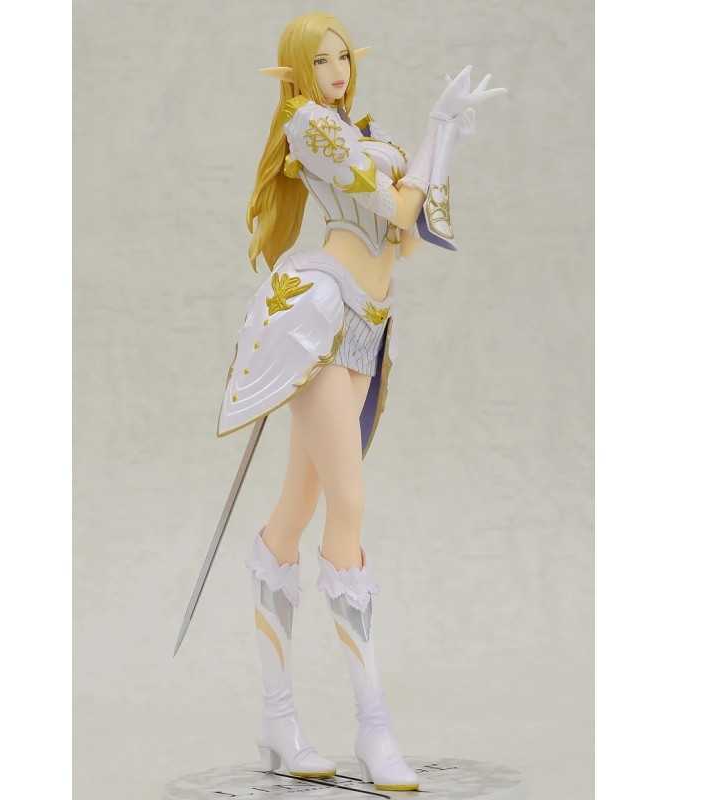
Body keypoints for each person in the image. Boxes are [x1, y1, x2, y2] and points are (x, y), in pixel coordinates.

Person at [216, 12, 506, 791]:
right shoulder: (309, 125)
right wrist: (436, 131)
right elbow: (401, 209)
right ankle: (374, 728)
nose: (338, 70)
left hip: (369, 327)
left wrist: (444, 138)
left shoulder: (355, 131)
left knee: (296, 510)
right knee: (347, 507)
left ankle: (278, 724)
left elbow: (413, 236)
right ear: (296, 69)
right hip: (324, 315)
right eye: (321, 60)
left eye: (343, 56)